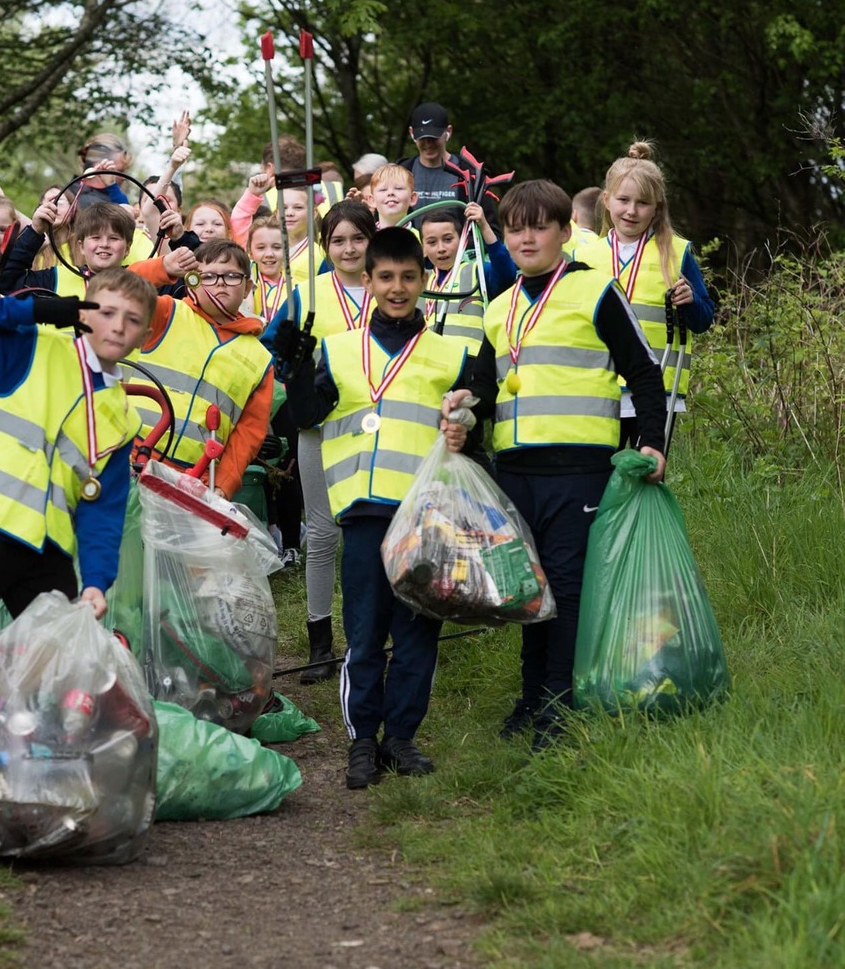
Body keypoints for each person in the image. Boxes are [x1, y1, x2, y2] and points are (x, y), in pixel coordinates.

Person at [0, 268, 157, 826]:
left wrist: (96, 582)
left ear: (144, 335)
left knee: (58, 665)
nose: (118, 326)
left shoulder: (122, 413)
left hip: (45, 545)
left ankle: (35, 781)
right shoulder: (34, 348)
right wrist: (35, 310)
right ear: (84, 311)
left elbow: (103, 508)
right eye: (106, 312)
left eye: (132, 320)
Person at [442, 179, 667, 752]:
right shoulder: (499, 306)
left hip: (581, 470)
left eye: (539, 226)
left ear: (566, 232)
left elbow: (644, 372)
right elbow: (487, 387)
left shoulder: (596, 291)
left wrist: (652, 441)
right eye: (515, 227)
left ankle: (560, 707)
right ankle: (532, 695)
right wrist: (464, 407)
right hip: (516, 471)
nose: (525, 236)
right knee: (531, 591)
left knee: (564, 590)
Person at [284, 227, 471, 787]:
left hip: (425, 513)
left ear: (424, 281)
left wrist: (464, 425)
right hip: (363, 513)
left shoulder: (450, 353)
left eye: (408, 278)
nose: (397, 288)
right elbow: (307, 416)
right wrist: (294, 371)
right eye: (385, 277)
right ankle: (362, 740)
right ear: (366, 281)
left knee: (418, 631)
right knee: (366, 633)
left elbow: (466, 429)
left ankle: (402, 739)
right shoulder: (338, 351)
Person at [262, 200, 378, 684]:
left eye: (357, 238)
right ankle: (320, 644)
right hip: (320, 427)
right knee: (324, 533)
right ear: (326, 246)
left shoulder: (390, 286)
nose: (349, 248)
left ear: (371, 239)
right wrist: (291, 363)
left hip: (379, 428)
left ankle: (369, 636)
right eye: (338, 241)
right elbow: (274, 344)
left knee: (371, 532)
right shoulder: (308, 292)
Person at [573, 142, 716, 449]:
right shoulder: (584, 255)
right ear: (607, 201)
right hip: (598, 385)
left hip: (656, 387)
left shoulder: (677, 252)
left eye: (643, 203)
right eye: (623, 200)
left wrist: (691, 302)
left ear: (657, 207)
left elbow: (704, 319)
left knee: (645, 475)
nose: (632, 211)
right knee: (599, 476)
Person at [127, 239, 275, 498]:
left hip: (195, 481)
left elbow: (249, 433)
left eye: (231, 276)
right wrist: (163, 267)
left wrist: (223, 485)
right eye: (209, 276)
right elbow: (119, 289)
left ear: (248, 286)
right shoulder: (166, 312)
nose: (219, 283)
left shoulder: (260, 358)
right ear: (193, 280)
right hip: (131, 460)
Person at [0, 199, 196, 297]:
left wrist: (180, 237)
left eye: (114, 238)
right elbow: (3, 281)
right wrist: (35, 230)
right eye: (95, 237)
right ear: (81, 246)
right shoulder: (53, 280)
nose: (104, 244)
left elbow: (201, 284)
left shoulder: (151, 283)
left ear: (127, 248)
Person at [419, 203, 515, 356]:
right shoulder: (418, 281)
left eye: (448, 239)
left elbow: (506, 273)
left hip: (469, 363)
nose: (441, 248)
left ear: (462, 241)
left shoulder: (477, 271)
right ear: (422, 248)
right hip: (428, 366)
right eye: (432, 242)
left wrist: (484, 226)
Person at [397, 102, 499, 231]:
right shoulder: (400, 173)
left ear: (448, 132)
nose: (428, 144)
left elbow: (491, 228)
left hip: (462, 250)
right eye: (423, 138)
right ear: (412, 133)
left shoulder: (472, 174)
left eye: (434, 137)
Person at [248, 215, 286, 322]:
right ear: (250, 252)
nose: (269, 254)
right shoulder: (242, 282)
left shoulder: (296, 288)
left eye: (277, 247)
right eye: (261, 248)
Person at [367, 162, 418, 230]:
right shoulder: (367, 238)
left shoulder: (422, 238)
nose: (390, 193)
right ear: (372, 200)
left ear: (412, 198)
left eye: (399, 188)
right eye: (383, 190)